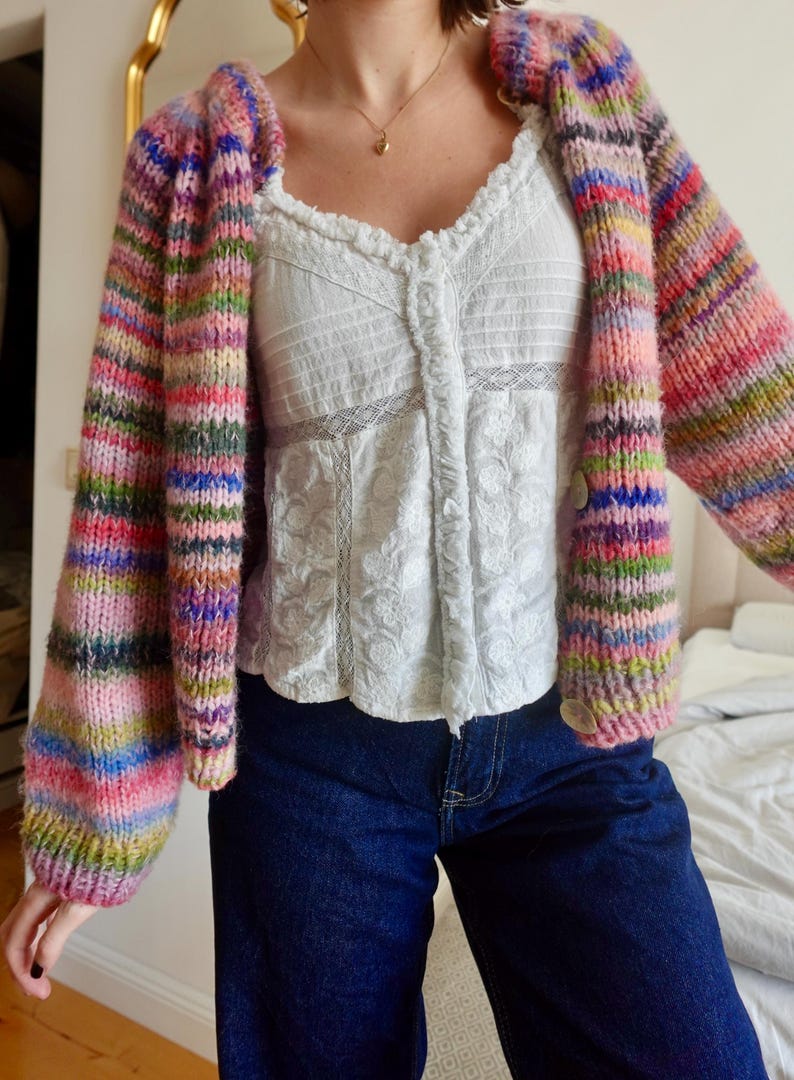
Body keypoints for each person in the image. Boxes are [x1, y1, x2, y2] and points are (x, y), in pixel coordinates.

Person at [1, 0, 791, 1075]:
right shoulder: (189, 160)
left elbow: (744, 387)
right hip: (310, 765)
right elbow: (133, 502)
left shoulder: (583, 87)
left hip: (571, 742)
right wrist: (93, 822)